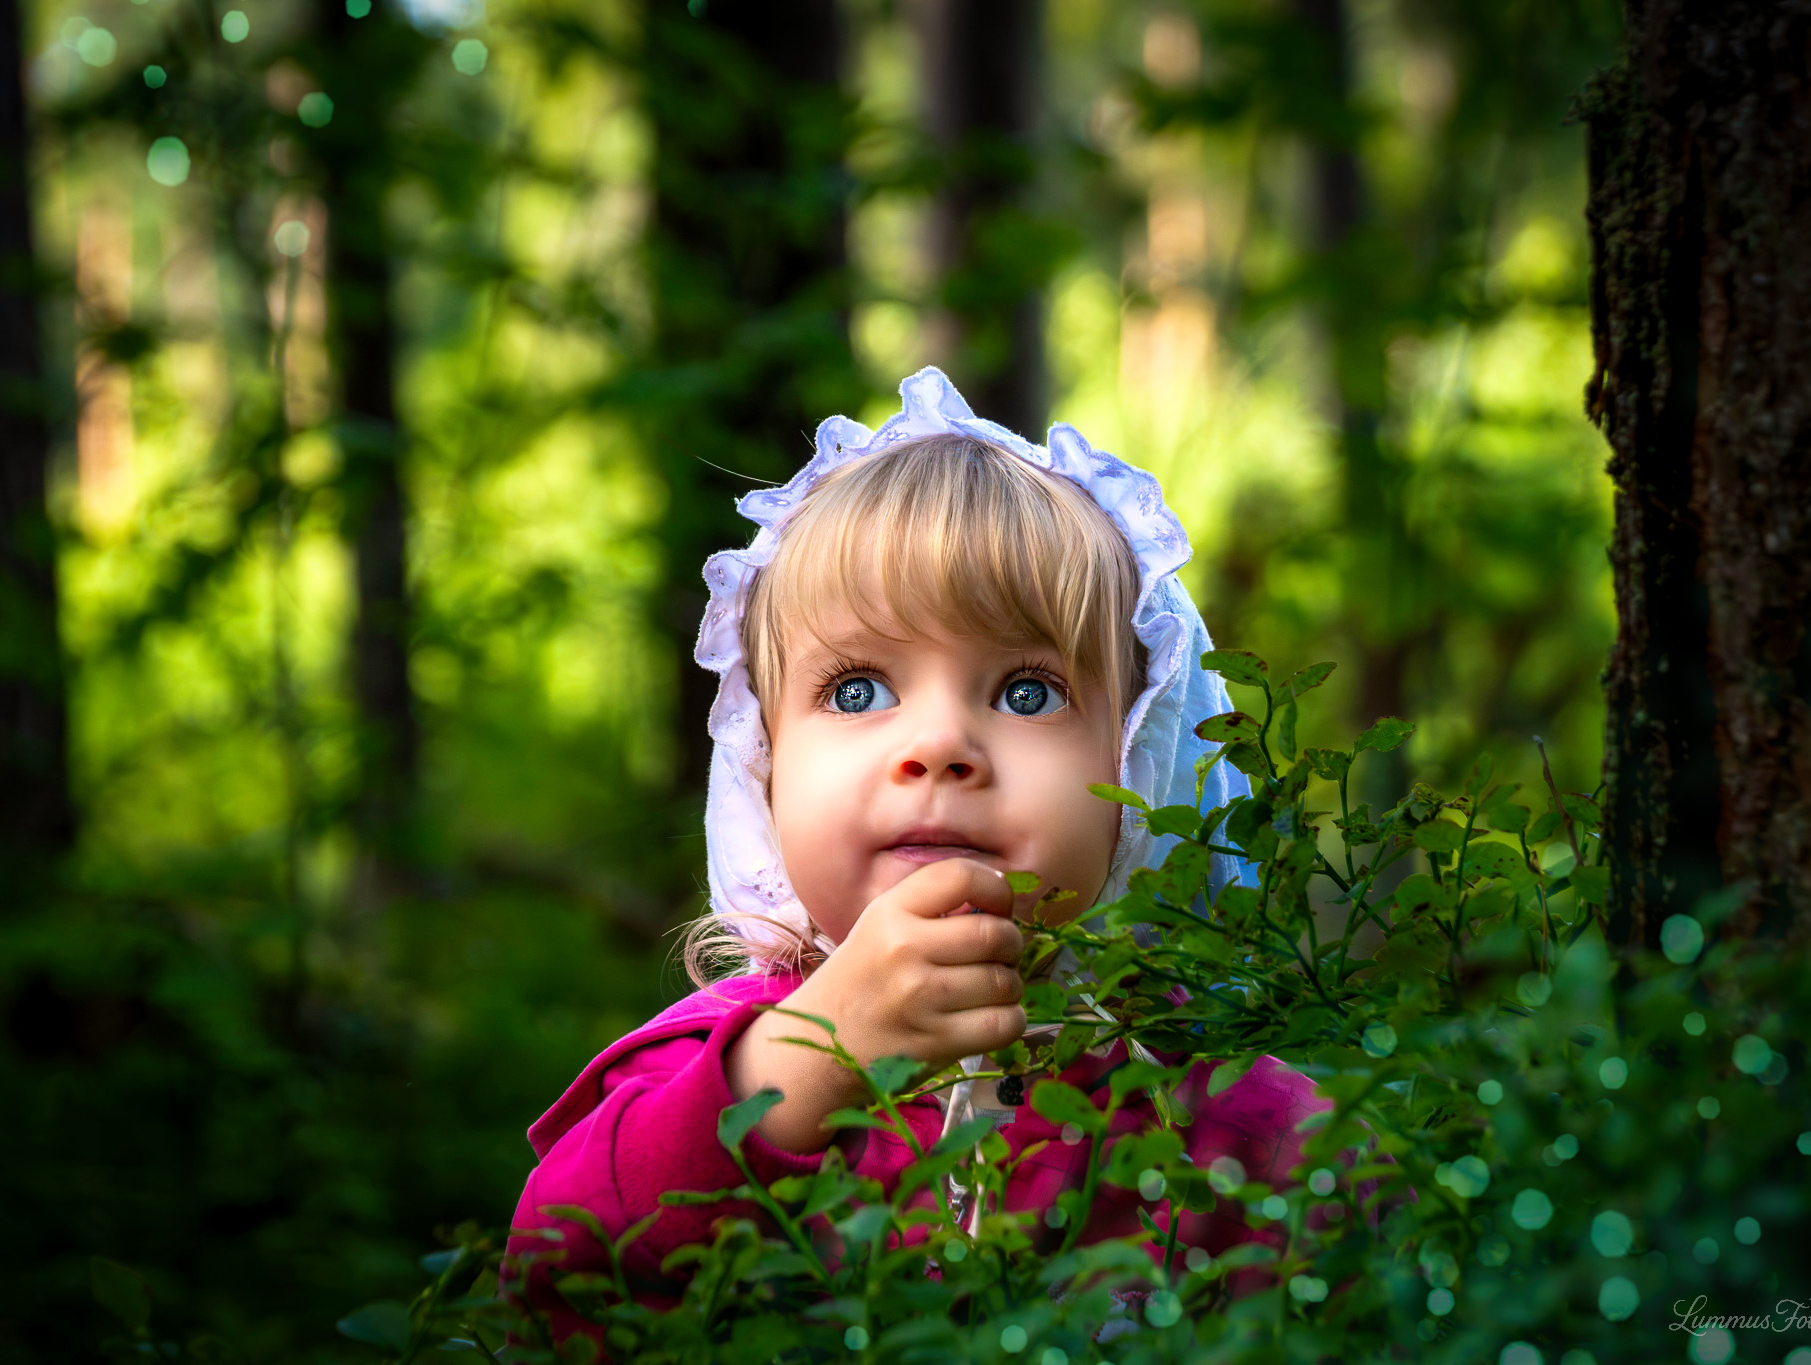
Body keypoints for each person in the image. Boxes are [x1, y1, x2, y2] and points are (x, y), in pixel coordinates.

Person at [505, 368, 1325, 1332]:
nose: (936, 744)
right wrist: (811, 1058)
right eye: (857, 690)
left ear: (1139, 763)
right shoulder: (719, 1058)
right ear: (765, 763)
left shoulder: (1227, 1112)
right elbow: (555, 1266)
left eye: (1028, 692)